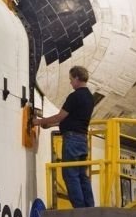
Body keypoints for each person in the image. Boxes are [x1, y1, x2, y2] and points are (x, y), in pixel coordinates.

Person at [33, 66, 95, 208]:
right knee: (81, 175)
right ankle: (89, 207)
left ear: (77, 78)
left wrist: (40, 121)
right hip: (82, 140)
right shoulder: (90, 98)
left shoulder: (75, 96)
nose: (70, 83)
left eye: (71, 79)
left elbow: (61, 116)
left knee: (70, 174)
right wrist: (51, 125)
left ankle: (79, 209)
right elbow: (73, 120)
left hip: (72, 140)